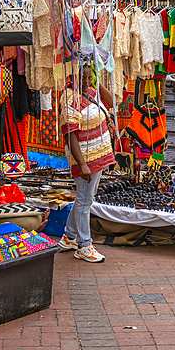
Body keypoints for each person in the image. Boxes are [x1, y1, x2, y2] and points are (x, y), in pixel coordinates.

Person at [58, 61, 115, 263]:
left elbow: (111, 102)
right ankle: (84, 245)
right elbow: (70, 134)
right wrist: (82, 164)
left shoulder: (90, 91)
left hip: (98, 155)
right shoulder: (70, 98)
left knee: (85, 198)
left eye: (88, 77)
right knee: (84, 200)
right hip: (86, 158)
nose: (85, 81)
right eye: (81, 77)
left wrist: (95, 82)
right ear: (72, 77)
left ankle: (69, 236)